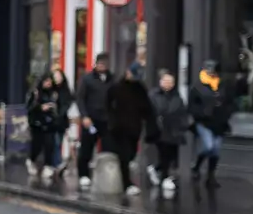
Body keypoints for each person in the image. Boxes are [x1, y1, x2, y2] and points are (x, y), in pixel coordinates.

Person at [106, 62, 154, 195]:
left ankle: (127, 180)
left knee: (131, 153)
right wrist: (111, 123)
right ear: (128, 72)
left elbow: (147, 108)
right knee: (124, 156)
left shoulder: (140, 89)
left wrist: (150, 124)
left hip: (135, 127)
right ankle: (126, 183)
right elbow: (107, 106)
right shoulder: (116, 88)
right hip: (120, 128)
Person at [74, 53, 115, 189]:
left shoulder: (112, 79)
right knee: (86, 148)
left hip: (107, 120)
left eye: (104, 64)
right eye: (100, 63)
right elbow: (80, 99)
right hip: (90, 119)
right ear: (95, 64)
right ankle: (83, 175)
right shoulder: (87, 79)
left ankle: (105, 176)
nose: (102, 66)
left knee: (108, 149)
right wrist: (84, 116)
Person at [190, 60, 233, 184]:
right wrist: (202, 112)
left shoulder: (222, 85)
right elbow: (192, 106)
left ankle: (211, 176)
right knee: (208, 146)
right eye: (209, 69)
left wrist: (227, 114)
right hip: (204, 122)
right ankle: (197, 166)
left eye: (213, 70)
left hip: (219, 123)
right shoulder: (198, 87)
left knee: (216, 150)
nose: (211, 72)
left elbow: (229, 102)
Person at [149, 68, 190, 196]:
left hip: (175, 130)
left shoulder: (177, 96)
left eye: (170, 81)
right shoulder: (154, 95)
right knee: (164, 154)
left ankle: (156, 169)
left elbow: (182, 112)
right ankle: (165, 178)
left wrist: (184, 125)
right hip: (160, 130)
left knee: (173, 155)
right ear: (160, 82)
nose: (168, 84)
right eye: (165, 81)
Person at [26, 68, 69, 182]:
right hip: (37, 124)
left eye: (50, 81)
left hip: (50, 123)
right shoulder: (36, 93)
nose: (48, 84)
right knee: (37, 146)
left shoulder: (54, 93)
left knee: (49, 145)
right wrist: (40, 107)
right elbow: (29, 108)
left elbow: (62, 104)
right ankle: (31, 160)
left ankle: (48, 166)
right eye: (46, 81)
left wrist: (54, 110)